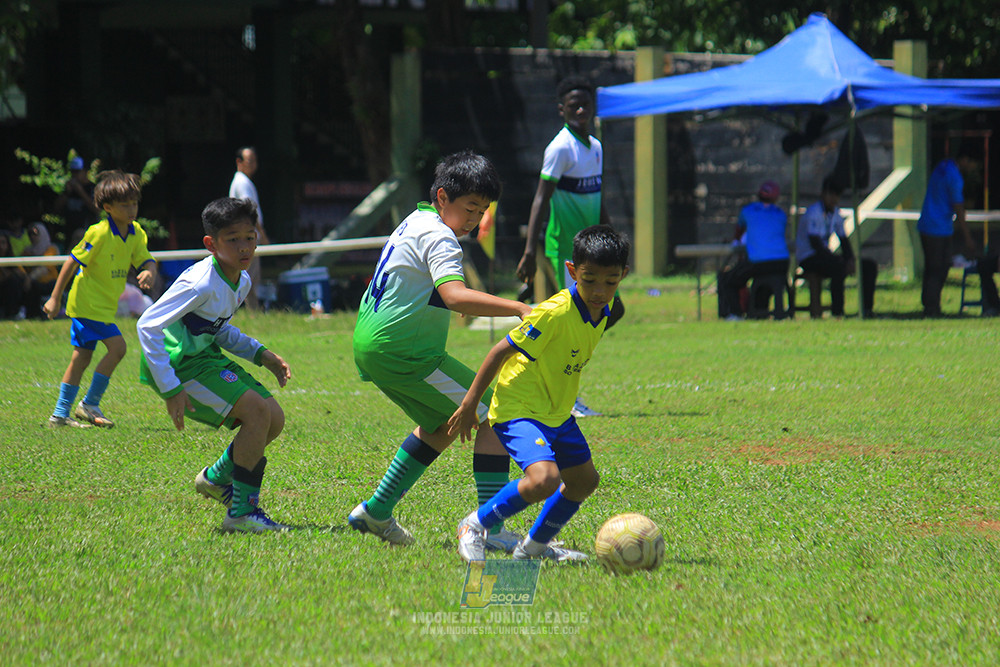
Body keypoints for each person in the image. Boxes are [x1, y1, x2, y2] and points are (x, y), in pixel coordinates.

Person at [348, 150, 533, 549]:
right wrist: (520, 308)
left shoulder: (417, 220)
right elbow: (454, 295)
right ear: (443, 197)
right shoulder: (440, 236)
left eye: (482, 211)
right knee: (494, 412)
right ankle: (491, 529)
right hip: (404, 351)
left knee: (444, 424)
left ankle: (377, 511)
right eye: (469, 209)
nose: (474, 220)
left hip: (375, 345)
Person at [451, 225, 630, 563]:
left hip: (556, 412)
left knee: (583, 481)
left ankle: (532, 548)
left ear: (623, 275)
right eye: (589, 279)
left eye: (611, 281)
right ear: (572, 271)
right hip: (519, 407)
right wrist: (470, 403)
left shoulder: (605, 310)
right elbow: (498, 352)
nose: (599, 290)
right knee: (544, 478)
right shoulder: (553, 312)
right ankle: (474, 526)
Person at [137, 197, 292, 534]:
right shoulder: (200, 282)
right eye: (232, 239)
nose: (244, 247)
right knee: (256, 412)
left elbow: (217, 328)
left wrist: (260, 354)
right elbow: (148, 325)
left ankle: (215, 478)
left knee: (273, 419)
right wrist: (170, 388)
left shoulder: (242, 281)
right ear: (211, 244)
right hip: (177, 365)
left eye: (249, 237)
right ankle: (241, 514)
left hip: (204, 356)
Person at [515, 74, 622, 417]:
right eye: (573, 104)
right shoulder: (560, 147)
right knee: (573, 321)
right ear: (561, 109)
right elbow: (540, 199)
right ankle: (562, 395)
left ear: (593, 109)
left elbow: (597, 197)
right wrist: (530, 250)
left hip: (594, 250)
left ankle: (558, 372)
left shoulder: (596, 147)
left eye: (585, 104)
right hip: (566, 250)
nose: (580, 109)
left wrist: (612, 239)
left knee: (610, 311)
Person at [43, 171, 158, 428]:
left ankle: (60, 415)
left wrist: (149, 270)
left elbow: (145, 258)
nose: (132, 209)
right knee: (118, 348)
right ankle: (89, 404)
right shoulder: (98, 233)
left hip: (103, 309)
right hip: (86, 306)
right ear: (107, 207)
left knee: (81, 358)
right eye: (125, 204)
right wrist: (54, 297)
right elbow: (72, 261)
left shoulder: (136, 232)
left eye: (134, 203)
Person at [795, 176, 877, 318]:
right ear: (824, 193)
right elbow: (816, 245)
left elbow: (844, 240)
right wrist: (839, 261)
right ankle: (838, 312)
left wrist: (850, 259)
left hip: (825, 256)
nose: (835, 199)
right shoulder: (813, 213)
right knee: (838, 267)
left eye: (837, 196)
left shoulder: (835, 214)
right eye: (832, 195)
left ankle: (867, 310)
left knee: (869, 266)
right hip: (809, 258)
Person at [717, 180, 789, 320]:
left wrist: (736, 240)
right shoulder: (781, 214)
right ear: (776, 197)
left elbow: (739, 230)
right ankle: (762, 311)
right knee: (769, 282)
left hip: (758, 263)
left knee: (728, 280)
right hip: (782, 263)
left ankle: (735, 314)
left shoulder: (748, 211)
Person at [917, 151, 977, 318]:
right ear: (965, 159)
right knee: (939, 268)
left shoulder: (943, 166)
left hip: (926, 224)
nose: (972, 168)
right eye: (972, 164)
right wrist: (968, 237)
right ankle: (932, 308)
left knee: (931, 267)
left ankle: (929, 305)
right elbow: (958, 208)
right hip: (938, 228)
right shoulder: (955, 177)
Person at [228, 147, 269, 309]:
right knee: (249, 278)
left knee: (248, 277)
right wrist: (261, 234)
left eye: (254, 161)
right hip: (247, 238)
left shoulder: (241, 181)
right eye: (249, 160)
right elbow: (250, 210)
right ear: (239, 162)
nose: (253, 165)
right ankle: (253, 311)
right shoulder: (242, 182)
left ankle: (252, 311)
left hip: (244, 237)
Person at [54, 156, 99, 242]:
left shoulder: (92, 188)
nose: (74, 175)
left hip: (86, 232)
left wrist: (80, 191)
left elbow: (97, 209)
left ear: (85, 172)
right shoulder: (69, 188)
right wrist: (67, 193)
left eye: (77, 172)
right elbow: (56, 208)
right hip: (69, 231)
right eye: (72, 172)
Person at [23, 222, 61, 319]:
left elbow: (45, 267)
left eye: (35, 233)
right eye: (29, 234)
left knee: (34, 285)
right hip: (33, 284)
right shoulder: (27, 251)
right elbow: (20, 267)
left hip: (50, 283)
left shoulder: (51, 248)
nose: (32, 236)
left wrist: (29, 278)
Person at [0, 232, 28, 319]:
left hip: (11, 298)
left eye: (3, 243)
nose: (1, 247)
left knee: (14, 281)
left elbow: (24, 277)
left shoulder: (12, 260)